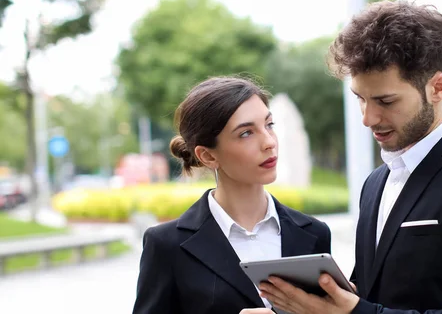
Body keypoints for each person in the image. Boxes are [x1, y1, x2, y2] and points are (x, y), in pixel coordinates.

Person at [258, 0, 442, 314]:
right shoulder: (376, 182)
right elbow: (372, 295)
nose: (368, 118)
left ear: (439, 88)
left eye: (385, 101)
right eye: (360, 99)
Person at [132, 77, 332, 314]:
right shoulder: (166, 245)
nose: (269, 142)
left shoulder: (313, 234)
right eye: (246, 133)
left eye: (269, 125)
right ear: (207, 156)